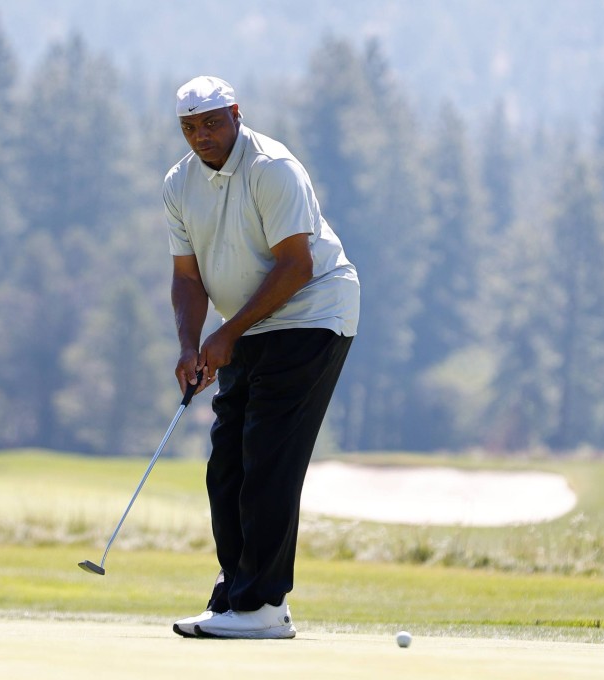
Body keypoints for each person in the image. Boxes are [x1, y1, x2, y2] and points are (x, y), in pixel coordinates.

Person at [163, 76, 359, 639]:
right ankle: (238, 595)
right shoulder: (179, 183)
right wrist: (189, 344)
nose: (201, 137)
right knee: (227, 462)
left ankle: (262, 606)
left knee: (267, 455)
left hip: (312, 314)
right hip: (248, 324)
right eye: (190, 128)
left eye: (212, 123)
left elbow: (297, 265)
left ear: (236, 114)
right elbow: (186, 276)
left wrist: (226, 336)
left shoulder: (271, 167)